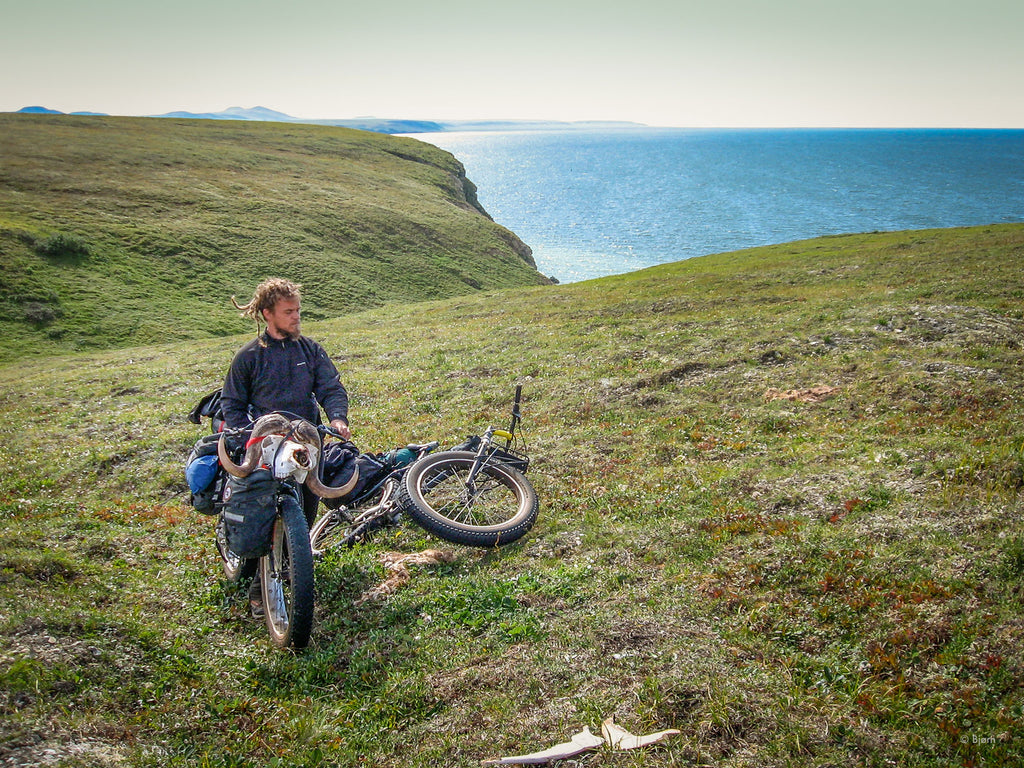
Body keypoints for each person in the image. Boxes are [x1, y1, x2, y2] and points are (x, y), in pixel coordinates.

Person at [220, 277, 351, 616]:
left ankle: (292, 561)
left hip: (306, 439)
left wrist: (337, 417)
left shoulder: (309, 349)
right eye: (288, 311)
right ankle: (256, 580)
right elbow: (232, 403)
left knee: (308, 505)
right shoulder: (248, 357)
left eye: (297, 310)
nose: (296, 317)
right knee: (259, 510)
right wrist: (241, 432)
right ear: (268, 314)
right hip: (263, 443)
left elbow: (331, 388)